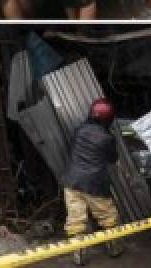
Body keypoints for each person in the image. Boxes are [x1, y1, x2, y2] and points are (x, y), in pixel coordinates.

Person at [62, 98, 121, 265]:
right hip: (94, 184)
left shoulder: (79, 130)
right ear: (108, 118)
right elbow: (112, 158)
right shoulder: (107, 138)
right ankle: (114, 248)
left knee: (76, 221)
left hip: (71, 182)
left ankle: (79, 256)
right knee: (108, 217)